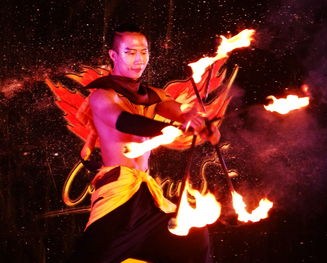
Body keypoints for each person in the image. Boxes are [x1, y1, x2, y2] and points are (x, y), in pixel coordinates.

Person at [68, 25, 219, 263]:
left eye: (144, 51)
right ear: (113, 55)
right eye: (130, 52)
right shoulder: (103, 96)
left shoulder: (152, 95)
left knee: (192, 237)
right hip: (119, 194)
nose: (139, 59)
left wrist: (200, 123)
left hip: (147, 196)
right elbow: (125, 121)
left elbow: (178, 111)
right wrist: (167, 129)